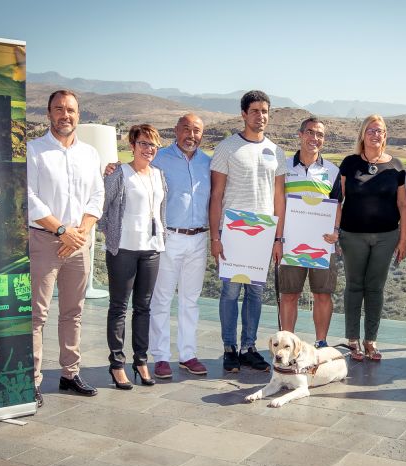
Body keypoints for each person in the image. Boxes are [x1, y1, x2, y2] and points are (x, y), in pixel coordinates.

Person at [27, 89, 104, 406]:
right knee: (37, 315)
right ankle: (30, 381)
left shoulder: (89, 154)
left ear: (78, 114)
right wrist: (61, 230)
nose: (65, 115)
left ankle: (70, 374)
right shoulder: (34, 150)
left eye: (70, 110)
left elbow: (96, 196)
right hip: (45, 240)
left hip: (79, 243)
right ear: (48, 114)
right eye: (58, 109)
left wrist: (81, 230)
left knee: (73, 313)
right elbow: (29, 198)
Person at [209, 90, 286, 373]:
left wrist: (278, 237)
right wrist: (215, 238)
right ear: (243, 114)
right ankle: (230, 347)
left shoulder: (277, 151)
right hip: (233, 232)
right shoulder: (227, 148)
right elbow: (216, 195)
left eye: (265, 111)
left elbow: (280, 198)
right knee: (230, 293)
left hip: (263, 234)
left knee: (255, 294)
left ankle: (249, 347)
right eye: (255, 111)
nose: (260, 116)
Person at [334, 115, 406, 361]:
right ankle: (353, 340)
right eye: (371, 130)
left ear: (385, 136)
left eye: (381, 131)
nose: (376, 135)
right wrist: (335, 231)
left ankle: (371, 341)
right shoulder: (349, 163)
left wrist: (404, 238)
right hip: (352, 236)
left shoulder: (396, 166)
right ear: (363, 134)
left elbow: (403, 205)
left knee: (375, 288)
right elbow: (338, 200)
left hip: (387, 237)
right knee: (355, 286)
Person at [99, 124, 167, 389]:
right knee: (118, 307)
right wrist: (111, 234)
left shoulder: (159, 175)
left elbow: (161, 210)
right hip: (124, 248)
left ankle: (141, 360)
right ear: (132, 145)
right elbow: (102, 208)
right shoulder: (119, 173)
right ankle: (117, 364)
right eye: (143, 144)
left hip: (152, 248)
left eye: (153, 145)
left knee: (144, 307)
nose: (148, 149)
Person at [148, 114, 211, 379]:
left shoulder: (208, 163)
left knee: (190, 300)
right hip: (169, 237)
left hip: (199, 238)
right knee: (161, 298)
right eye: (186, 129)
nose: (191, 135)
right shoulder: (159, 158)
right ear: (176, 130)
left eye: (196, 130)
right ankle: (161, 356)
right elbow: (135, 170)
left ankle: (187, 354)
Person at [278, 117, 340, 348]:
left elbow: (338, 204)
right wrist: (278, 238)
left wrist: (335, 231)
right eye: (310, 132)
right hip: (291, 242)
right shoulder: (283, 167)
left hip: (323, 244)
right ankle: (287, 345)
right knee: (289, 295)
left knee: (322, 295)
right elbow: (277, 203)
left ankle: (321, 343)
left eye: (320, 135)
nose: (315, 138)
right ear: (300, 134)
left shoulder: (332, 170)